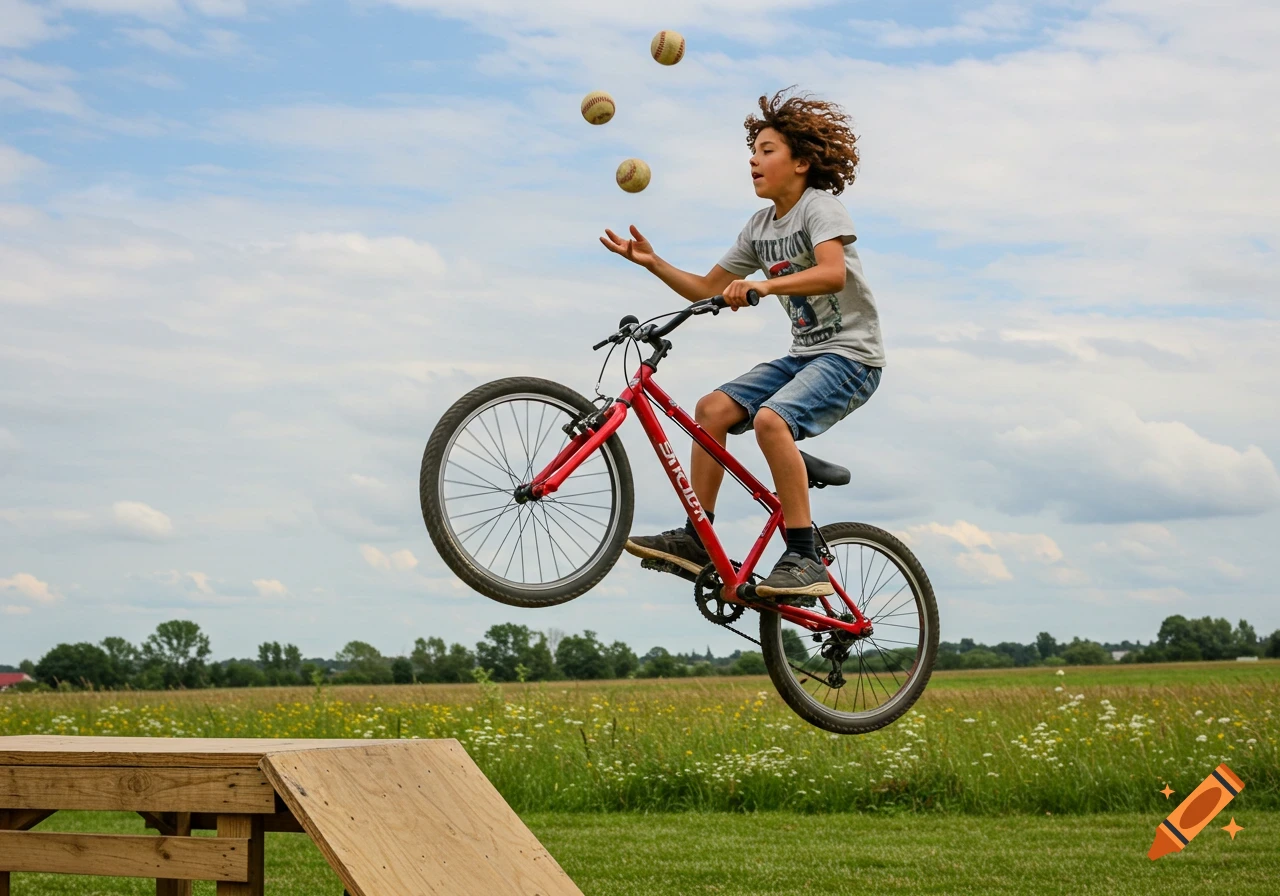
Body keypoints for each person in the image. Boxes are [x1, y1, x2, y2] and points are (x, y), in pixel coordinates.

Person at [599, 88, 884, 603]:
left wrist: (765, 285)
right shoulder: (758, 227)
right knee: (712, 408)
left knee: (772, 420)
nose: (753, 159)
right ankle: (697, 538)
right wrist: (653, 262)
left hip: (851, 358)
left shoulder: (820, 208)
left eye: (767, 150)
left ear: (801, 163)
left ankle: (803, 554)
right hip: (805, 357)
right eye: (752, 151)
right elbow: (708, 289)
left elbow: (832, 272)